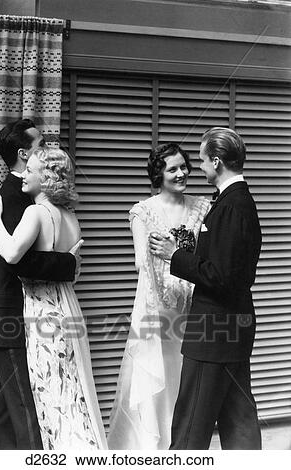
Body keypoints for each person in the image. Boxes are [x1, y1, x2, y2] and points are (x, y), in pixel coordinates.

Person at [0, 146, 107, 450]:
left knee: (49, 392)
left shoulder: (36, 212)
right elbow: (72, 271)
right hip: (67, 306)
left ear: (46, 177)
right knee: (70, 389)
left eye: (30, 170)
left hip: (42, 311)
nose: (24, 174)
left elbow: (12, 254)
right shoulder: (70, 216)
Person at [149, 128, 262, 450]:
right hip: (232, 327)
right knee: (238, 420)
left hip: (214, 329)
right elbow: (227, 266)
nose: (197, 167)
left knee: (191, 425)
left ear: (216, 160)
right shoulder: (237, 202)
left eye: (200, 160)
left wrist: (175, 256)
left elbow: (222, 276)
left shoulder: (231, 206)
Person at [0, 119, 77, 449]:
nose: (47, 147)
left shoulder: (30, 196)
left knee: (9, 407)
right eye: (41, 143)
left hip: (18, 315)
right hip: (8, 315)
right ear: (25, 154)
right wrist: (70, 263)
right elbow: (18, 261)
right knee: (26, 407)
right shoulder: (15, 197)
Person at [107, 143, 210, 449]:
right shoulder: (144, 210)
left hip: (192, 303)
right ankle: (151, 444)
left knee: (185, 373)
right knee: (155, 372)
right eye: (172, 169)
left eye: (184, 166)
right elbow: (141, 258)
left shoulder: (203, 207)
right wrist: (153, 254)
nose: (182, 173)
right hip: (156, 304)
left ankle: (180, 441)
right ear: (158, 174)